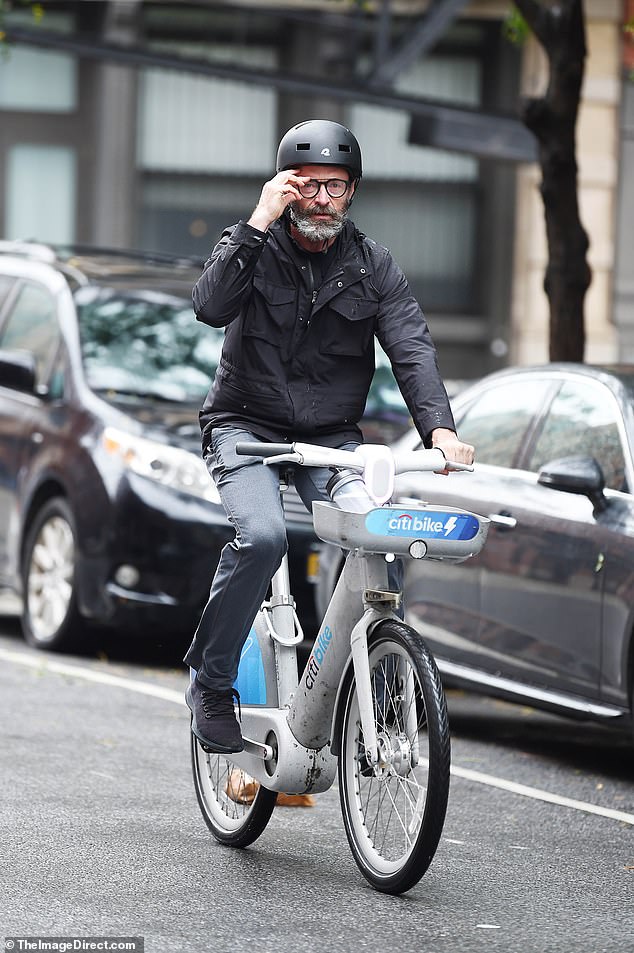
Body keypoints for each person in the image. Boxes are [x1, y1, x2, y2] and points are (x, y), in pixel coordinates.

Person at [184, 119, 474, 753]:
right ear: (288, 187)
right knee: (261, 539)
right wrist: (258, 219)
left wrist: (442, 432)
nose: (321, 199)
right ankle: (210, 684)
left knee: (380, 536)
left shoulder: (374, 266)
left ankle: (375, 689)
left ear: (352, 193)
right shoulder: (254, 246)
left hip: (330, 438)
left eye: (335, 187)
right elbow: (209, 307)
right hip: (244, 425)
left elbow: (412, 349)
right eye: (308, 185)